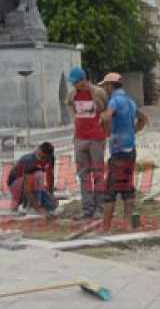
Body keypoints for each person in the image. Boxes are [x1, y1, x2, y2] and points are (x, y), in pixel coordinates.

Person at [98, 73, 150, 231]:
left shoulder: (114, 101)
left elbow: (107, 117)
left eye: (105, 86)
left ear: (110, 86)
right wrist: (131, 132)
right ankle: (127, 224)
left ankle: (105, 227)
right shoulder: (130, 101)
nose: (104, 89)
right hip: (130, 150)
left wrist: (104, 127)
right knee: (127, 187)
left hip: (118, 151)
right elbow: (143, 118)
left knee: (110, 190)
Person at [66, 66, 108, 219]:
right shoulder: (72, 95)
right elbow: (72, 110)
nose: (73, 85)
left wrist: (105, 133)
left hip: (96, 138)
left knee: (98, 173)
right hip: (80, 138)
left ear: (83, 80)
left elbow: (106, 112)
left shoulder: (98, 93)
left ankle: (100, 208)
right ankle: (87, 208)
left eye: (75, 82)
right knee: (83, 175)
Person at [7, 142, 57, 215]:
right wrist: (38, 208)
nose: (44, 160)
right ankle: (27, 205)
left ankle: (31, 203)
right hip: (16, 184)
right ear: (38, 151)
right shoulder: (29, 161)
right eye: (42, 158)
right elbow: (27, 188)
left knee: (52, 205)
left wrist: (51, 193)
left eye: (46, 158)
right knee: (38, 175)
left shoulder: (50, 158)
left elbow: (50, 176)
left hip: (31, 184)